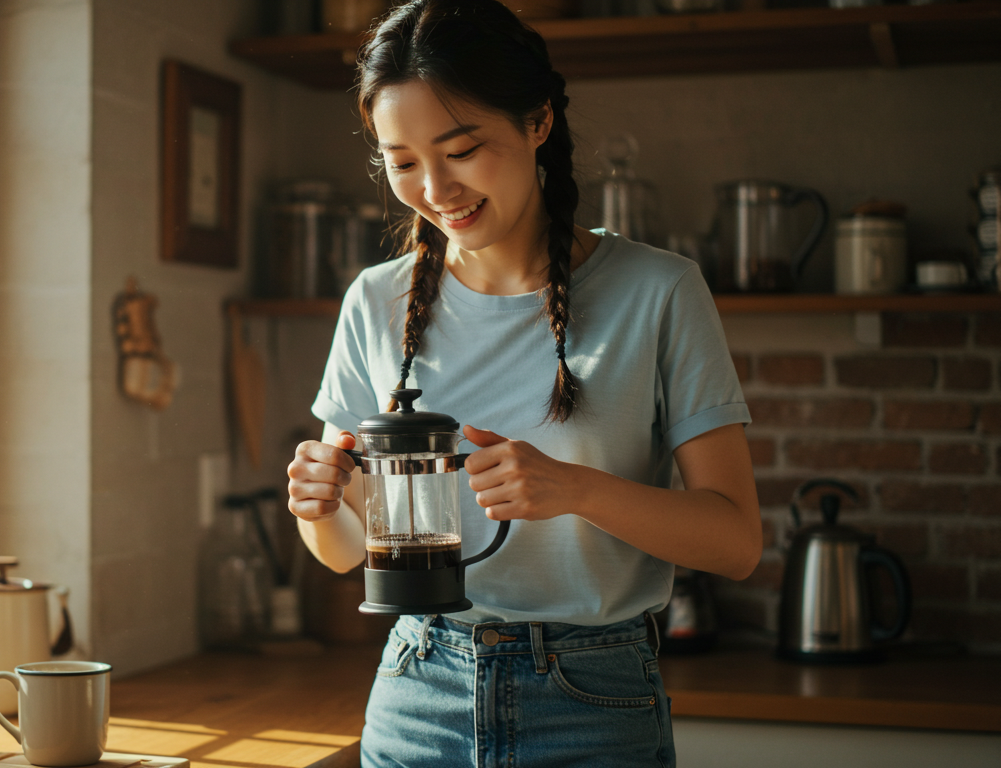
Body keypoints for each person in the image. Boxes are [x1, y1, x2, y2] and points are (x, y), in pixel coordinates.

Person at [285, 1, 760, 765]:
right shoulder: (376, 301)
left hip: (593, 702)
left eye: (461, 150)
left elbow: (736, 542)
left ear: (538, 121)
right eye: (402, 162)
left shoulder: (660, 291)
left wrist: (575, 488)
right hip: (418, 694)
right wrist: (318, 504)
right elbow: (344, 553)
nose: (435, 188)